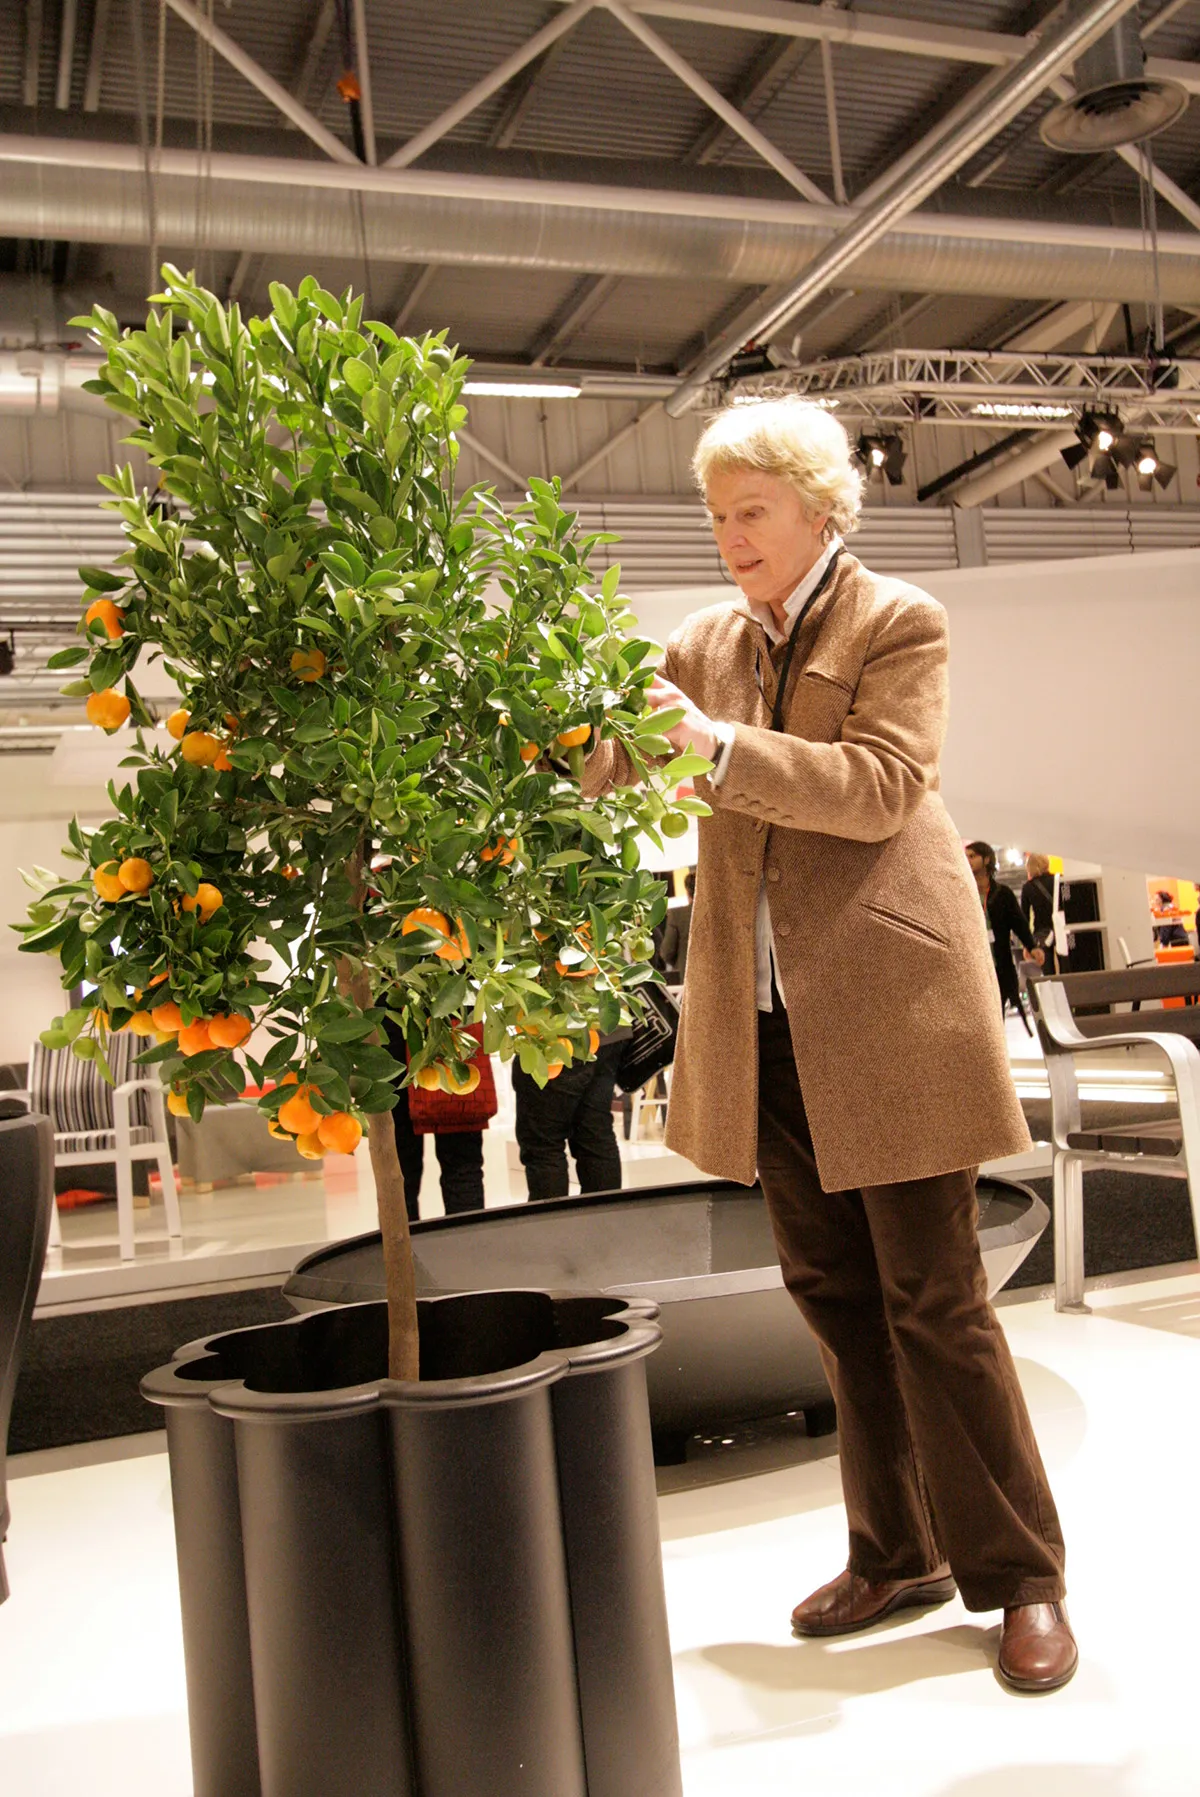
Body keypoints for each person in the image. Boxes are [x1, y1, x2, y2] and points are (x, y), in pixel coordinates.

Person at [581, 396, 1075, 1693]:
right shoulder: (704, 642)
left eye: (752, 511)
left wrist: (717, 747)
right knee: (837, 1300)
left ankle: (1023, 1576)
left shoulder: (898, 620)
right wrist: (568, 719)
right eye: (717, 516)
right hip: (763, 1024)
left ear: (818, 507)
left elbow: (881, 788)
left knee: (937, 1304)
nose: (731, 535)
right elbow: (612, 764)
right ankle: (896, 1550)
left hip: (894, 1013)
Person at [384, 1017, 495, 1222]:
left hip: (397, 1038)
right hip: (453, 1032)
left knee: (399, 1172)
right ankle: (468, 1239)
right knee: (461, 1166)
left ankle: (405, 1242)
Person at [512, 1034, 625, 1202]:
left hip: (554, 1035)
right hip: (609, 1034)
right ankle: (606, 1216)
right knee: (596, 1138)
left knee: (545, 1149)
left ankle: (553, 1218)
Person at [966, 840, 1044, 1016]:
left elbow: (1019, 923)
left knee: (997, 1014)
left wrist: (1032, 946)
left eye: (972, 856)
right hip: (974, 967)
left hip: (1000, 965)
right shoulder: (963, 894)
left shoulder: (1002, 894)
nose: (967, 860)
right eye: (966, 856)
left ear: (986, 859)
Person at [1021, 852, 1063, 975]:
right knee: (1066, 968)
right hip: (1061, 929)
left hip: (1042, 933)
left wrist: (1027, 944)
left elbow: (1024, 918)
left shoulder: (1028, 887)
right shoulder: (1059, 879)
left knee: (1047, 973)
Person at [660, 871, 695, 980]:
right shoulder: (718, 914)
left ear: (687, 891)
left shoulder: (677, 915)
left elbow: (667, 952)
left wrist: (679, 962)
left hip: (688, 977)